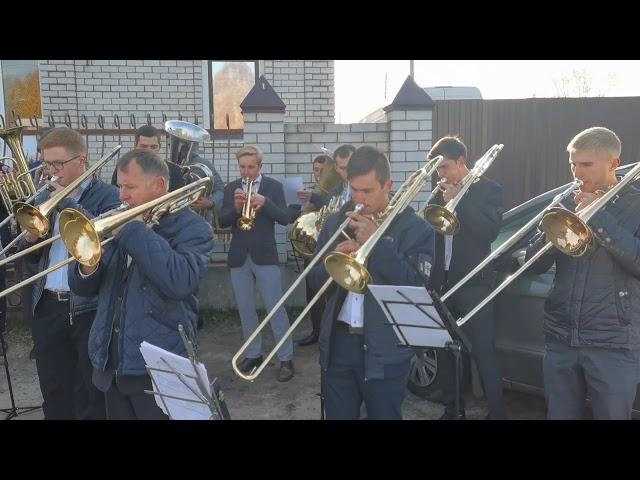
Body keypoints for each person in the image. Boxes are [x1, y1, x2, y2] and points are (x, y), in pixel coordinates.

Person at [68, 149, 213, 420]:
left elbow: (179, 281)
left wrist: (135, 232)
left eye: (130, 187)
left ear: (158, 186)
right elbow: (83, 289)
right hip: (111, 363)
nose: (121, 195)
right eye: (120, 186)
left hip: (156, 368)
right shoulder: (116, 220)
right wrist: (87, 266)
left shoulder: (193, 229)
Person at [308, 145, 435, 419]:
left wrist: (378, 246)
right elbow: (313, 282)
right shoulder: (336, 224)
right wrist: (332, 262)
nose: (359, 198)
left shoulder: (416, 229)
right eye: (354, 189)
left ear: (387, 185)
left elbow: (417, 286)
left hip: (385, 348)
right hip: (339, 345)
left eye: (368, 191)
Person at [524, 126, 640, 420]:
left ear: (613, 163)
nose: (577, 172)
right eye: (573, 164)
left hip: (612, 340)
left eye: (586, 164)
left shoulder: (636, 204)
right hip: (561, 336)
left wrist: (598, 214)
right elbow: (533, 265)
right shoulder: (565, 202)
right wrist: (549, 230)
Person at [16, 127, 121, 420]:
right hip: (47, 305)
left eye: (57, 164)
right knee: (54, 389)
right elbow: (29, 258)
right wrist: (29, 240)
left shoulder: (109, 196)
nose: (51, 171)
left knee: (89, 393)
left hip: (88, 308)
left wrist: (66, 202)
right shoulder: (41, 197)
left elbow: (103, 243)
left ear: (82, 161)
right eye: (46, 164)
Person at [426, 136, 506, 420]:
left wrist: (458, 202)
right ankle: (453, 410)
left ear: (461, 162)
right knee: (446, 352)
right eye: (438, 170)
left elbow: (490, 231)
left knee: (484, 352)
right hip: (442, 283)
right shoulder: (439, 192)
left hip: (475, 284)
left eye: (445, 167)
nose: (441, 175)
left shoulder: (488, 190)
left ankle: (497, 414)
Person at [219, 145, 295, 382]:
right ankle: (254, 354)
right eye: (242, 167)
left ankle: (286, 358)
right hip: (239, 256)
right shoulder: (232, 188)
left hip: (265, 255)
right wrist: (237, 208)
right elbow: (222, 221)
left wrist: (265, 202)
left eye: (251, 167)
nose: (246, 172)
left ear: (260, 166)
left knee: (276, 308)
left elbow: (285, 218)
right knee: (245, 309)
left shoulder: (273, 187)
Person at [111, 125, 185, 193]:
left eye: (153, 147)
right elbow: (115, 197)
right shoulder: (123, 168)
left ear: (159, 147)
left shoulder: (175, 171)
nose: (149, 151)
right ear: (135, 146)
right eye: (143, 146)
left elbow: (180, 202)